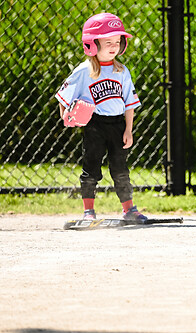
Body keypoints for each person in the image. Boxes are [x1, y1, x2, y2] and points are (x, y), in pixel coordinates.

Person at [55, 13, 147, 222]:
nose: (114, 46)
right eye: (108, 42)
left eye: (117, 42)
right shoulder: (84, 71)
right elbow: (63, 95)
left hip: (117, 124)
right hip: (95, 125)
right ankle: (89, 212)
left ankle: (129, 210)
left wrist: (128, 129)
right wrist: (65, 115)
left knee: (120, 169)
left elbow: (130, 104)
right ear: (92, 44)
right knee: (92, 168)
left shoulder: (122, 71)